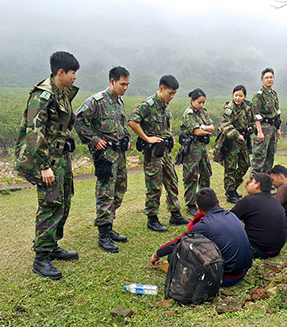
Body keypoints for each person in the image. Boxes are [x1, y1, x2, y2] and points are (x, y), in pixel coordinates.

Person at [15, 51, 80, 279]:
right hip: (47, 161)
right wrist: (43, 166)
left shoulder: (61, 94)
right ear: (60, 72)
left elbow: (58, 125)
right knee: (50, 204)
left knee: (64, 201)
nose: (75, 78)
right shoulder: (42, 96)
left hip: (61, 157)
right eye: (73, 73)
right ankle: (41, 258)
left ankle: (52, 247)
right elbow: (34, 133)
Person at [75, 66, 131, 253]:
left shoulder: (119, 102)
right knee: (105, 192)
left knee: (120, 189)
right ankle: (103, 234)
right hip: (106, 156)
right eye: (122, 84)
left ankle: (110, 225)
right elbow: (79, 119)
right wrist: (94, 139)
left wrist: (126, 138)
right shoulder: (97, 101)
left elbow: (121, 125)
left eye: (128, 84)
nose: (125, 87)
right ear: (112, 81)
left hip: (119, 154)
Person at [150, 188, 253, 287]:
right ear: (217, 201)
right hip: (243, 272)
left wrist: (157, 254)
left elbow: (179, 242)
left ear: (198, 208)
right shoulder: (232, 215)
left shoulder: (204, 225)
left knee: (174, 255)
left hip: (225, 278)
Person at [128, 75, 189, 232]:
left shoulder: (164, 106)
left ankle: (175, 214)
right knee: (154, 185)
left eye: (175, 93)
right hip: (152, 153)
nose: (172, 96)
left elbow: (163, 126)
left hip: (164, 151)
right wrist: (146, 138)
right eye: (170, 92)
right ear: (161, 88)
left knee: (172, 181)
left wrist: (169, 136)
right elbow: (132, 121)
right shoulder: (148, 105)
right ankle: (152, 219)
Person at [215, 85, 256, 204]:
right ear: (233, 96)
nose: (238, 98)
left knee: (245, 164)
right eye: (236, 95)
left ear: (244, 96)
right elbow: (225, 124)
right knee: (230, 167)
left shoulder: (247, 108)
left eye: (240, 96)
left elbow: (252, 121)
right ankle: (230, 191)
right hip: (231, 141)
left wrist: (250, 129)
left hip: (243, 141)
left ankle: (233, 187)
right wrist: (235, 133)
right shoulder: (229, 109)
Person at [230, 174, 286, 258]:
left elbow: (228, 219)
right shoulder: (275, 200)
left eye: (252, 182)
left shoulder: (248, 201)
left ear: (258, 185)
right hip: (276, 249)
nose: (248, 184)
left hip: (258, 250)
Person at [180, 88, 214, 216]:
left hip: (203, 147)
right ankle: (191, 204)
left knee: (206, 173)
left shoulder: (203, 112)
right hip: (192, 148)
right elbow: (197, 132)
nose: (201, 105)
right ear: (192, 101)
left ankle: (205, 201)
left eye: (203, 102)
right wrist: (205, 130)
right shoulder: (188, 114)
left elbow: (212, 126)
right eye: (199, 102)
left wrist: (204, 128)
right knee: (191, 175)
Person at [250, 67, 281, 176]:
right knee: (259, 157)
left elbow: (277, 112)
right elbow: (256, 115)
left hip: (272, 128)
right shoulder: (258, 95)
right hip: (263, 127)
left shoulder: (274, 94)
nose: (269, 80)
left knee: (270, 156)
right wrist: (259, 131)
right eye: (266, 78)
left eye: (271, 77)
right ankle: (254, 182)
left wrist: (278, 129)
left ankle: (266, 182)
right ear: (262, 80)